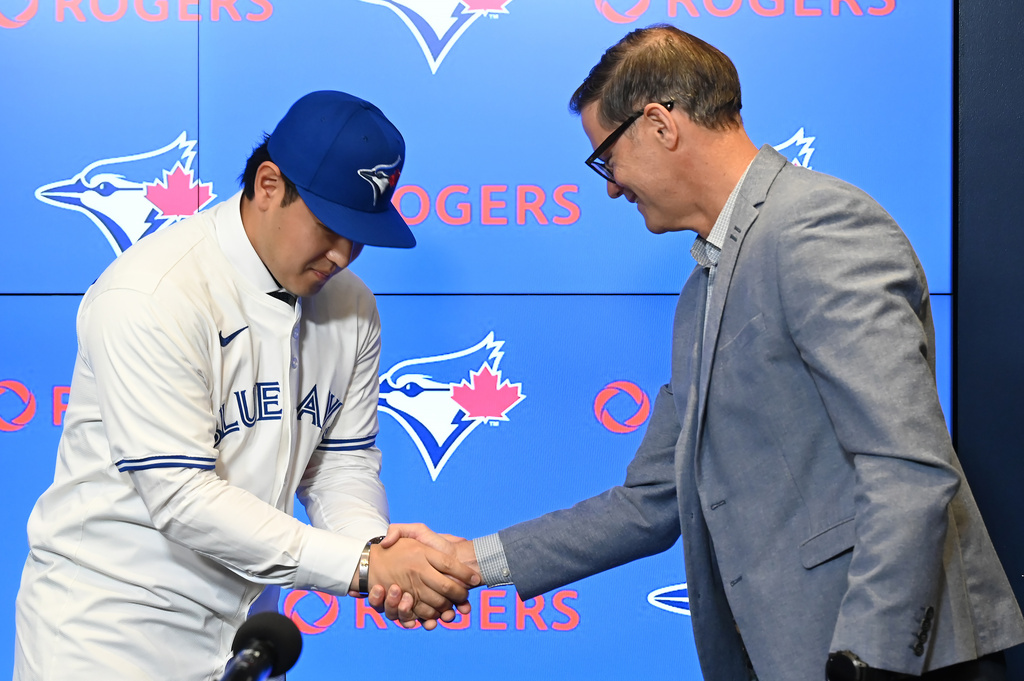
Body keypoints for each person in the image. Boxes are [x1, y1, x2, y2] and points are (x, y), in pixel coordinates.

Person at [373, 26, 1024, 681]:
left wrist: (870, 663)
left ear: (659, 124)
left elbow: (909, 470)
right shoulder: (701, 291)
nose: (609, 186)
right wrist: (469, 559)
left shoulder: (817, 227)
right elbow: (649, 500)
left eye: (605, 157)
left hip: (892, 664)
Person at [14, 90, 478, 681]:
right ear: (268, 185)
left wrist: (375, 549)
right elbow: (181, 496)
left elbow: (340, 468)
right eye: (330, 223)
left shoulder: (353, 306)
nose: (343, 253)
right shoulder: (152, 293)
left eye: (360, 232)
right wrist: (361, 566)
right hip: (109, 634)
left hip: (249, 638)